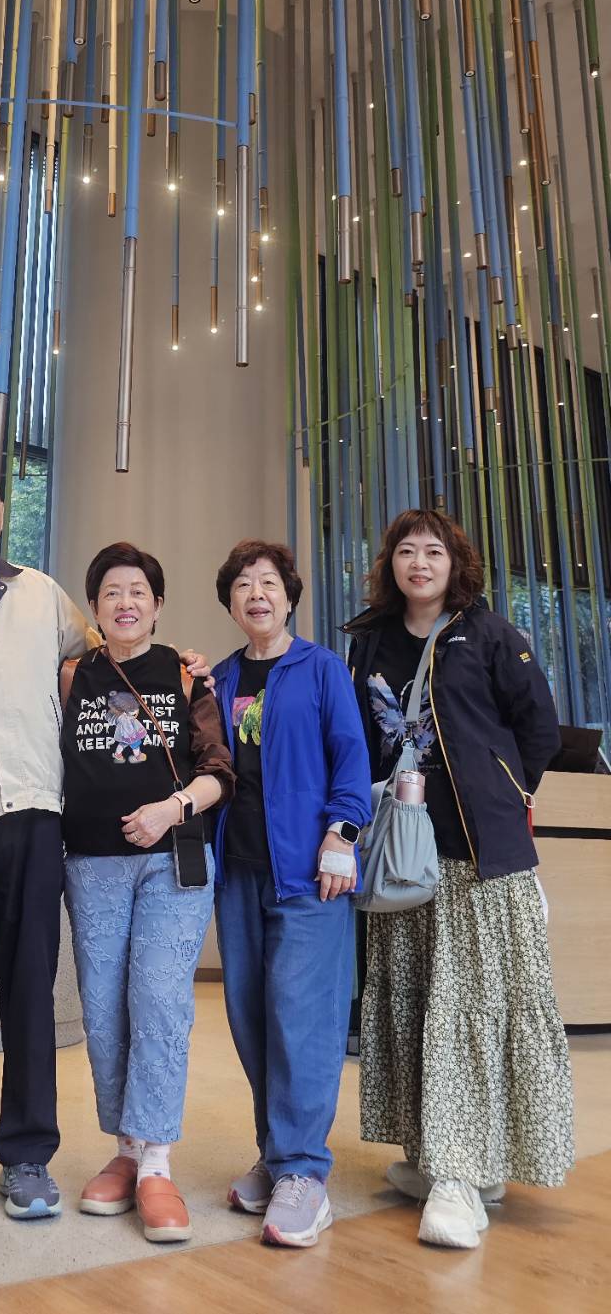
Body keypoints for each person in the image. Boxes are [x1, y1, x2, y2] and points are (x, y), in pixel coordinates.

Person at [0, 465, 210, 1226]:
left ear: (0, 511)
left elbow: (113, 653)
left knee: (29, 992)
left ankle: (27, 1155)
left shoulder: (43, 595)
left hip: (34, 817)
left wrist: (180, 664)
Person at [346, 508, 575, 1250]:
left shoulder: (491, 634)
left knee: (466, 1010)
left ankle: (460, 1176)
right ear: (390, 563)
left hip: (477, 856)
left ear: (455, 564)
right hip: (398, 853)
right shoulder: (369, 640)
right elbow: (357, 738)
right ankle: (440, 1155)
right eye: (406, 550)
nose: (419, 562)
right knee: (415, 1005)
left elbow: (539, 729)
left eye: (433, 551)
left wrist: (503, 792)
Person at [60, 542, 234, 1244]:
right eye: (111, 592)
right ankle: (126, 1151)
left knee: (159, 1001)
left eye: (138, 591)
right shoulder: (72, 675)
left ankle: (157, 1160)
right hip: (91, 863)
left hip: (173, 860)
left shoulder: (187, 676)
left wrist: (171, 809)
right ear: (94, 608)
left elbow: (220, 771)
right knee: (104, 1010)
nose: (125, 602)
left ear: (158, 605)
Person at [211, 539, 372, 1249]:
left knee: (301, 1018)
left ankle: (305, 1171)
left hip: (309, 871)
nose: (257, 593)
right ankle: (277, 1155)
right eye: (243, 584)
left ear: (289, 596)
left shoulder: (321, 667)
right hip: (239, 872)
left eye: (269, 582)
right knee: (251, 1016)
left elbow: (352, 754)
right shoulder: (219, 678)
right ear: (231, 602)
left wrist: (343, 832)